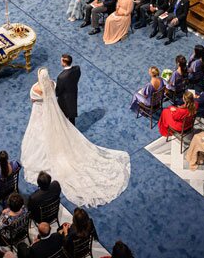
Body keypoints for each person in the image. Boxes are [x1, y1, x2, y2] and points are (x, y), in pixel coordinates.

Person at [21, 69, 131, 207]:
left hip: (40, 115)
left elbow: (33, 98)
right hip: (53, 115)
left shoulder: (37, 89)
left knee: (41, 139)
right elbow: (52, 90)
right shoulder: (51, 84)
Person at [55, 54, 80, 125]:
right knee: (72, 113)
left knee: (63, 115)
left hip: (64, 99)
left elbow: (58, 92)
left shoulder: (61, 77)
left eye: (61, 61)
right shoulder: (77, 68)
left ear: (64, 63)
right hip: (73, 94)